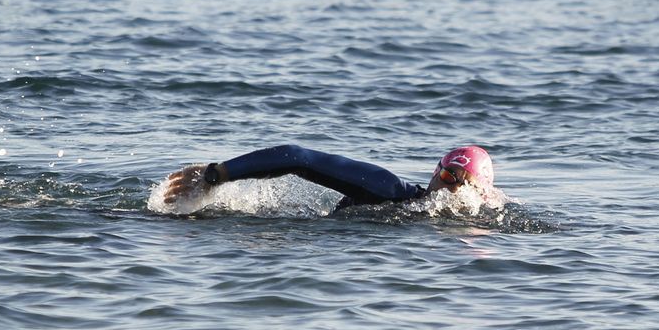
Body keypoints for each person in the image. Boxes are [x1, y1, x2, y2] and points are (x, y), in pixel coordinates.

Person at [163, 144, 499, 211]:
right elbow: (299, 158)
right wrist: (217, 174)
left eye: (461, 181)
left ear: (481, 194)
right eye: (445, 174)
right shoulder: (389, 192)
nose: (448, 186)